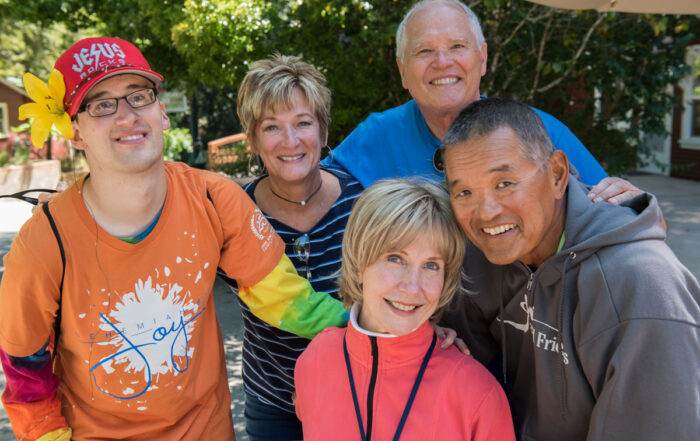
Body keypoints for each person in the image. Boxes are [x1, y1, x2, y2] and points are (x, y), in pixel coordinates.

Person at [0, 37, 348, 441]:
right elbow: (26, 373)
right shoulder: (44, 242)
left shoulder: (213, 199)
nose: (127, 115)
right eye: (101, 104)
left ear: (161, 113)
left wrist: (380, 326)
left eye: (138, 96)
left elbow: (285, 299)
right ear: (75, 132)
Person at [440, 97, 700, 440]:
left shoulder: (641, 286)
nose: (486, 212)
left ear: (558, 175)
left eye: (505, 183)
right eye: (465, 193)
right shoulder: (477, 258)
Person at [324, 0, 641, 204]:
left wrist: (636, 205)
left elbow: (627, 216)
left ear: (483, 58)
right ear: (403, 72)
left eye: (457, 46)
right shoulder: (377, 135)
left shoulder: (535, 129)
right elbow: (302, 191)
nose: (442, 61)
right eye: (424, 51)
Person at [295, 179, 515, 441]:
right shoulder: (315, 362)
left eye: (431, 265)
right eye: (395, 259)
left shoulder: (476, 394)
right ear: (358, 261)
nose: (412, 287)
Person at [231, 54, 363, 440]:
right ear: (253, 140)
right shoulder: (235, 215)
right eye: (272, 127)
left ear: (323, 132)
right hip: (273, 402)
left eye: (303, 123)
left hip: (356, 395)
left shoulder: (362, 202)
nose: (290, 141)